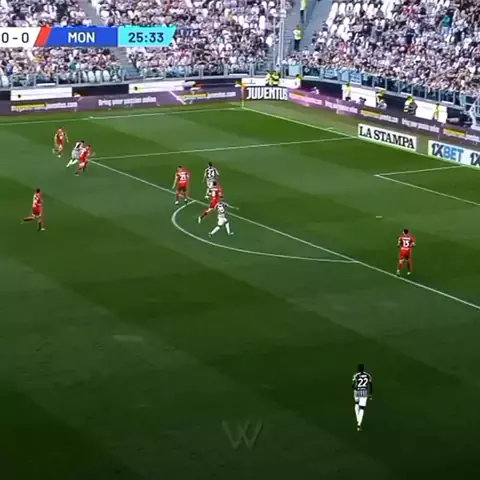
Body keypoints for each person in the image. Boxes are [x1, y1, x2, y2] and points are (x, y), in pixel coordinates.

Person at [352, 364, 373, 431]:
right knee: (362, 408)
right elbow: (370, 385)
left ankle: (358, 419)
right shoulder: (368, 375)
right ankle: (359, 424)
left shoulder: (356, 375)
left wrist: (355, 388)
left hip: (357, 391)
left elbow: (353, 385)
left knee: (356, 404)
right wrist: (370, 394)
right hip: (364, 392)